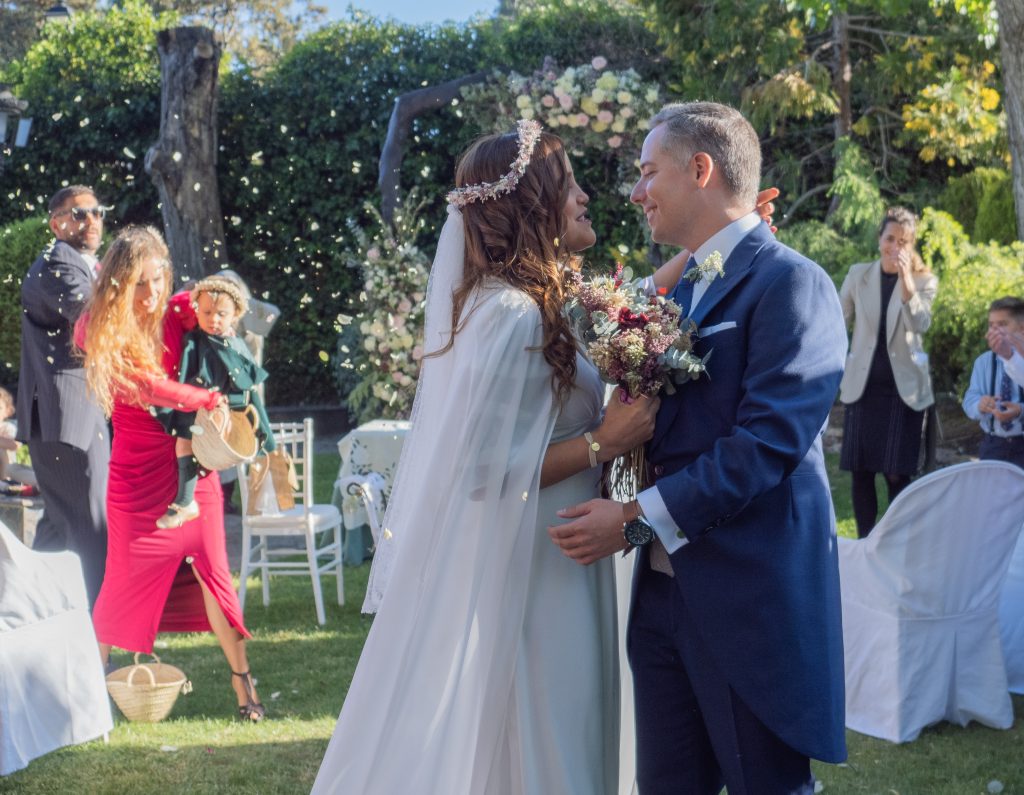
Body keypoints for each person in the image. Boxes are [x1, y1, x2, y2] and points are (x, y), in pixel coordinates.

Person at [312, 121, 670, 795]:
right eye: (569, 185)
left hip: (559, 553)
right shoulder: (513, 317)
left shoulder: (529, 307)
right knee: (549, 739)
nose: (587, 195)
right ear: (533, 202)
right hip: (538, 569)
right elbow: (478, 469)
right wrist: (605, 441)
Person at [549, 102, 848, 794]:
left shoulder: (792, 284)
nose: (635, 190)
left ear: (702, 169)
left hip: (746, 601)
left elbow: (764, 447)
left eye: (649, 171)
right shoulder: (680, 289)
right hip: (660, 601)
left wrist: (631, 521)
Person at [77, 226, 265, 722]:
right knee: (118, 584)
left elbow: (223, 297)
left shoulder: (181, 308)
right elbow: (147, 386)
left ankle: (245, 687)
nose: (153, 293)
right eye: (140, 283)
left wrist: (226, 329)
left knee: (215, 579)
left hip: (191, 471)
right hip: (135, 480)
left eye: (158, 279)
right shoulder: (100, 329)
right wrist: (203, 397)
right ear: (117, 284)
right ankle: (93, 695)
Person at [16, 185, 110, 607]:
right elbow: (95, 325)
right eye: (79, 214)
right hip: (68, 420)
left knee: (58, 528)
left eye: (96, 212)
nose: (91, 221)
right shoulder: (61, 263)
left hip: (65, 418)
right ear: (57, 224)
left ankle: (29, 614)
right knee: (90, 529)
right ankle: (94, 634)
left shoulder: (76, 263)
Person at [836, 206, 938, 537]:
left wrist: (907, 280)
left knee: (897, 473)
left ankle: (896, 542)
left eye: (904, 241)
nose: (895, 247)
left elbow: (920, 324)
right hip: (862, 389)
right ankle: (866, 540)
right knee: (861, 471)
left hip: (902, 393)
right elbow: (837, 322)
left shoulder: (924, 281)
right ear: (880, 239)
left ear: (912, 245)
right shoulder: (858, 274)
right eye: (890, 238)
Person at [154, 276, 275, 529]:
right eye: (207, 312)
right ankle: (185, 500)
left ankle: (193, 498)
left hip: (226, 410)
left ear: (235, 316)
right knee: (184, 443)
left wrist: (265, 434)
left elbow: (247, 385)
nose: (213, 319)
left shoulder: (236, 345)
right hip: (194, 405)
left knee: (209, 446)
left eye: (222, 314)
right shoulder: (192, 341)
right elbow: (185, 373)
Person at [963, 297, 1024, 468]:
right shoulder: (983, 362)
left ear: (1021, 328)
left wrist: (1020, 411)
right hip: (993, 444)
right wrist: (979, 405)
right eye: (991, 325)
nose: (995, 331)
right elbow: (970, 399)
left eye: (1003, 324)